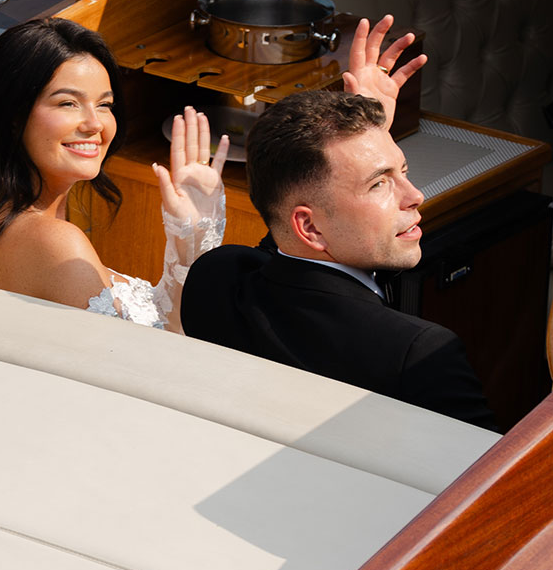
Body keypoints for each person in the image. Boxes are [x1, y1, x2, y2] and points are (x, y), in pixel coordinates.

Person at [181, 77, 499, 429]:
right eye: (379, 183)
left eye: (403, 171)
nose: (414, 195)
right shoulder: (421, 354)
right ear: (311, 227)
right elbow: (497, 480)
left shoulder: (216, 280)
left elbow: (284, 245)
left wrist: (366, 141)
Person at [0, 16, 229, 330]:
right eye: (68, 103)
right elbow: (153, 362)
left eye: (104, 104)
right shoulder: (54, 242)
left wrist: (189, 245)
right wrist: (191, 255)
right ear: (12, 116)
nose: (95, 124)